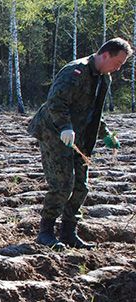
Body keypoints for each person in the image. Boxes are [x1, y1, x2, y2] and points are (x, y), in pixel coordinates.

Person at [28, 38, 133, 250]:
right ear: (105, 55)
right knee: (62, 184)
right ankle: (45, 232)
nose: (119, 68)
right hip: (54, 132)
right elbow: (55, 103)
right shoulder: (74, 71)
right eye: (118, 63)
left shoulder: (105, 79)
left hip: (80, 137)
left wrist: (105, 134)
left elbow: (94, 111)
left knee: (81, 186)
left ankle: (68, 232)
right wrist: (66, 127)